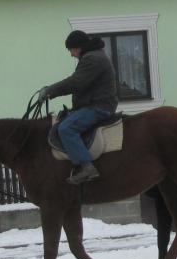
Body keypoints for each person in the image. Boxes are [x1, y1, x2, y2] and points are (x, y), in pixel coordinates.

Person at [37, 30, 119, 184]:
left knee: (66, 128)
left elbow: (76, 82)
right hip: (93, 104)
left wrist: (49, 91)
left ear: (78, 47)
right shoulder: (94, 56)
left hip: (99, 106)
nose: (71, 54)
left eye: (71, 50)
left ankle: (87, 167)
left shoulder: (93, 59)